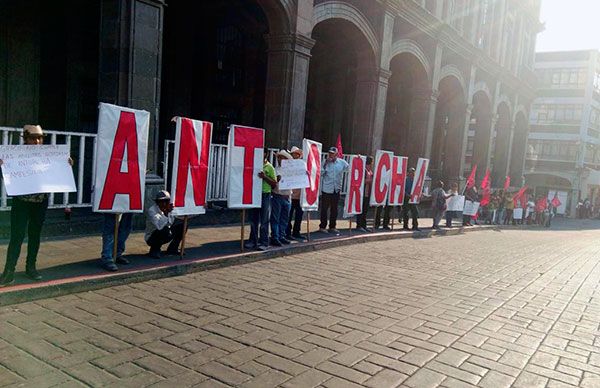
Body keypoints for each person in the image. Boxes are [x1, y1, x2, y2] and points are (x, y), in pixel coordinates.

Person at [0, 125, 73, 286]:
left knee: (35, 236)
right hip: (22, 203)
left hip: (40, 202)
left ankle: (30, 267)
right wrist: (3, 165)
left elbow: (57, 171)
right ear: (25, 139)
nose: (37, 141)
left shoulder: (47, 155)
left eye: (39, 138)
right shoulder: (15, 155)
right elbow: (8, 175)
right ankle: (9, 271)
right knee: (16, 236)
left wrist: (65, 164)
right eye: (33, 138)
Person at [246, 150, 277, 251]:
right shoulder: (254, 165)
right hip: (255, 193)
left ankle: (264, 242)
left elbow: (274, 183)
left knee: (264, 220)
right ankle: (252, 241)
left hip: (265, 194)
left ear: (266, 155)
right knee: (253, 219)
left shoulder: (270, 167)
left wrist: (265, 177)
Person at [145, 190, 185, 259]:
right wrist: (166, 213)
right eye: (161, 202)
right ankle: (155, 250)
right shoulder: (152, 210)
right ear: (157, 202)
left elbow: (171, 222)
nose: (164, 204)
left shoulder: (170, 209)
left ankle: (173, 248)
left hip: (168, 233)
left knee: (182, 225)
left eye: (166, 201)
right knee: (164, 230)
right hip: (152, 236)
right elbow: (159, 226)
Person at [319, 146, 348, 234]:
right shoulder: (325, 162)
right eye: (330, 153)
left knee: (334, 209)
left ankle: (332, 226)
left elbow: (351, 168)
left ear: (336, 154)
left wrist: (358, 159)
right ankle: (322, 226)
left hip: (336, 189)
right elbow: (320, 173)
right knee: (324, 208)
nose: (331, 155)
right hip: (327, 189)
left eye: (332, 153)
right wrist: (325, 164)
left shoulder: (342, 162)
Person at [270, 150, 293, 246]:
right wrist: (276, 180)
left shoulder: (291, 170)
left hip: (287, 196)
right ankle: (275, 237)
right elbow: (272, 184)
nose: (280, 159)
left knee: (284, 218)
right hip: (278, 195)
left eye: (282, 157)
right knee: (276, 218)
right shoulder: (275, 170)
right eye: (279, 157)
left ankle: (281, 236)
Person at [286, 146, 305, 240]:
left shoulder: (303, 165)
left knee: (299, 215)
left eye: (297, 154)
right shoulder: (288, 165)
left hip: (300, 195)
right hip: (290, 194)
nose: (295, 156)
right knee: (288, 215)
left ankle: (296, 231)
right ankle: (287, 232)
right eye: (293, 154)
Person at [356, 156, 373, 232]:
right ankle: (359, 225)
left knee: (365, 210)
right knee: (361, 210)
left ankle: (364, 225)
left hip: (367, 193)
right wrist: (370, 180)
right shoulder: (364, 170)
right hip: (362, 193)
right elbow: (361, 180)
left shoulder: (370, 171)